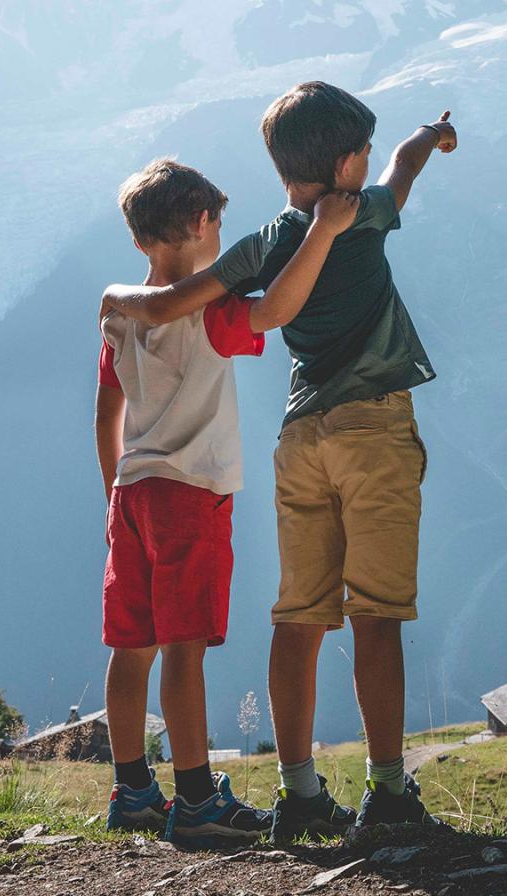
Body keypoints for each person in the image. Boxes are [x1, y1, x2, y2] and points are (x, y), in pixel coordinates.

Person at [102, 84, 457, 841]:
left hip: (300, 441)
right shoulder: (361, 211)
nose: (368, 157)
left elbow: (168, 304)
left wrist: (116, 294)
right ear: (342, 163)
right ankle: (388, 793)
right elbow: (401, 172)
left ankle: (298, 791)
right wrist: (431, 137)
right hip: (373, 428)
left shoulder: (262, 243)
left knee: (299, 616)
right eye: (360, 148)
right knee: (379, 613)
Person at [96, 156, 357, 846]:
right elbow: (275, 309)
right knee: (186, 648)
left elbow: (106, 415)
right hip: (192, 494)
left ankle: (132, 790)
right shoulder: (208, 310)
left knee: (133, 645)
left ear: (138, 237)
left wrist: (111, 496)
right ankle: (198, 800)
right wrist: (323, 234)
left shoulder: (120, 316)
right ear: (203, 221)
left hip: (132, 492)